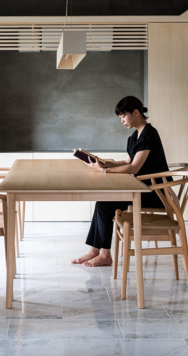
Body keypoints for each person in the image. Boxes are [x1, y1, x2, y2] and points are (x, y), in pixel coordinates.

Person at [71, 95, 169, 268]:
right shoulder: (134, 137)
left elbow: (134, 168)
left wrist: (105, 170)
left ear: (136, 112)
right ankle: (95, 250)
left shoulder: (148, 134)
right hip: (142, 188)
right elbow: (126, 161)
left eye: (123, 116)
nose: (122, 121)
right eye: (120, 118)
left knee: (104, 205)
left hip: (155, 192)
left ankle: (105, 255)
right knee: (101, 203)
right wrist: (101, 162)